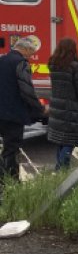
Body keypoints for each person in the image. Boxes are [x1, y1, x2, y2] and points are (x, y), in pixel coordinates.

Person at [0, 36, 45, 201]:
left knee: (5, 150)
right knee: (11, 150)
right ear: (25, 50)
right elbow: (27, 90)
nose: (31, 56)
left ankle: (4, 182)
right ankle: (11, 183)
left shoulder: (2, 60)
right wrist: (39, 109)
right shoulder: (21, 63)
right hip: (13, 115)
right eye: (31, 53)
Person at [46, 38, 78, 171]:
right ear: (73, 49)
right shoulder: (75, 66)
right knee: (70, 140)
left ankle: (59, 167)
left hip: (56, 106)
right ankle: (61, 167)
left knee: (60, 139)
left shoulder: (53, 64)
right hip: (71, 108)